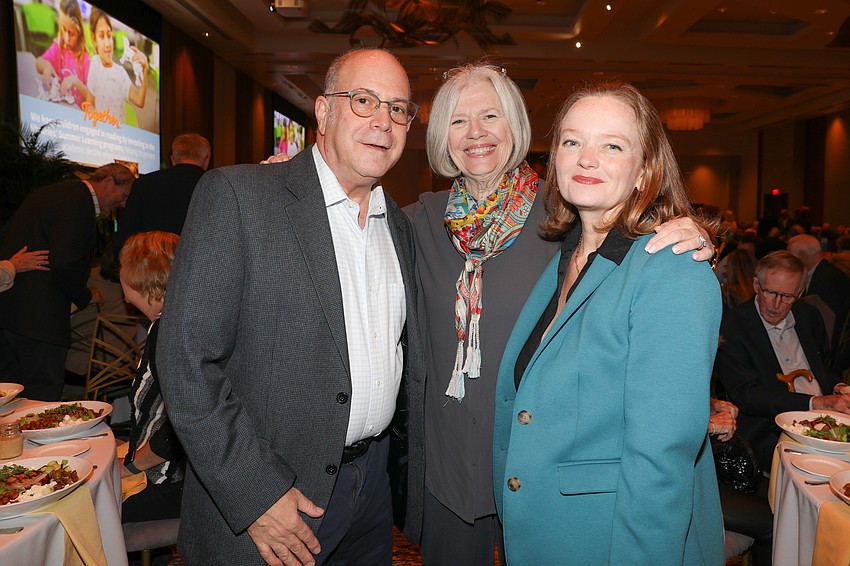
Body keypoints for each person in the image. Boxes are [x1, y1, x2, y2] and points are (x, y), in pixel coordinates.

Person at [403, 63, 716, 565]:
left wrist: (692, 236)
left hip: (566, 497)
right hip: (452, 470)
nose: (476, 132)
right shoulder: (420, 222)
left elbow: (660, 450)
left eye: (490, 115)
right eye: (458, 120)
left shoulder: (552, 221)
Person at [156, 48, 426, 566]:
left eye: (397, 109)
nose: (382, 121)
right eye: (363, 100)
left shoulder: (402, 228)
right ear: (323, 112)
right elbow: (185, 359)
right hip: (273, 502)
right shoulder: (240, 196)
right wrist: (256, 493)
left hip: (370, 495)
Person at [492, 81, 724, 564]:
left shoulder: (672, 267)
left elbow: (661, 461)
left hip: (613, 541)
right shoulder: (564, 254)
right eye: (571, 141)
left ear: (645, 171)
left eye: (611, 145)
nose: (586, 159)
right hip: (548, 533)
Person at [0, 163, 134, 400]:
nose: (123, 204)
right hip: (40, 322)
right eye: (124, 195)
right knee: (41, 401)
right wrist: (85, 295)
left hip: (10, 315)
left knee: (9, 400)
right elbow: (64, 263)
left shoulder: (53, 194)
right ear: (109, 182)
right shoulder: (78, 202)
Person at [715, 251, 850, 470]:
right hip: (769, 428)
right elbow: (746, 394)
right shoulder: (733, 326)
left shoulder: (809, 317)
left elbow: (825, 370)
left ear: (800, 293)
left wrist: (839, 387)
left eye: (787, 296)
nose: (776, 304)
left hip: (826, 419)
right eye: (770, 292)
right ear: (756, 285)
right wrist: (814, 402)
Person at [116, 231, 185, 523]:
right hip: (173, 476)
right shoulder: (177, 321)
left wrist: (129, 468)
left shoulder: (167, 332)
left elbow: (181, 424)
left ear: (139, 278)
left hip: (168, 482)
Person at [112, 133, 211, 262]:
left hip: (152, 269)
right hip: (200, 269)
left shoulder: (144, 184)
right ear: (207, 159)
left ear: (173, 159)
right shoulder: (218, 186)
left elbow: (126, 237)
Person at [709, 399, 773, 566]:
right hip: (674, 483)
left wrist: (713, 405)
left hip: (706, 466)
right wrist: (708, 425)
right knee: (776, 523)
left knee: (782, 500)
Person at [787, 233, 850, 371]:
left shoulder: (826, 281)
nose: (788, 261)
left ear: (803, 255)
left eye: (790, 255)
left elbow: (825, 327)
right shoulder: (824, 272)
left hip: (836, 357)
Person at [87, 8, 148, 125]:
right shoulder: (94, 63)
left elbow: (140, 101)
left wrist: (144, 69)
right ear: (94, 39)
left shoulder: (119, 73)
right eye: (101, 36)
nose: (107, 43)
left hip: (117, 137)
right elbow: (89, 103)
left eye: (109, 36)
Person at [33, 0, 93, 108]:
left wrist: (75, 81)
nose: (66, 37)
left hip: (76, 116)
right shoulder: (59, 46)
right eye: (64, 29)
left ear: (79, 33)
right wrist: (46, 67)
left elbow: (92, 98)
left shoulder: (84, 59)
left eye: (71, 33)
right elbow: (38, 62)